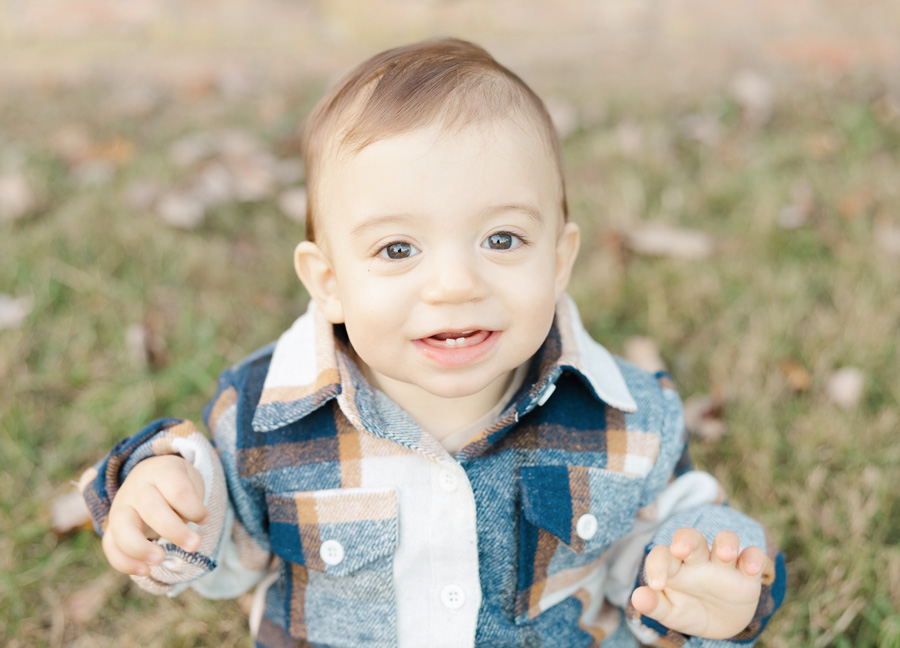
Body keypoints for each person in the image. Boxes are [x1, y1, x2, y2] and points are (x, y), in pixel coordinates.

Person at [80, 38, 785, 647]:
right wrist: (168, 499)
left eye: (501, 239)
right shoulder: (267, 415)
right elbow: (225, 556)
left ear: (560, 260)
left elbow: (664, 538)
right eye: (397, 248)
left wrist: (703, 579)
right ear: (327, 282)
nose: (454, 284)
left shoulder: (625, 415)